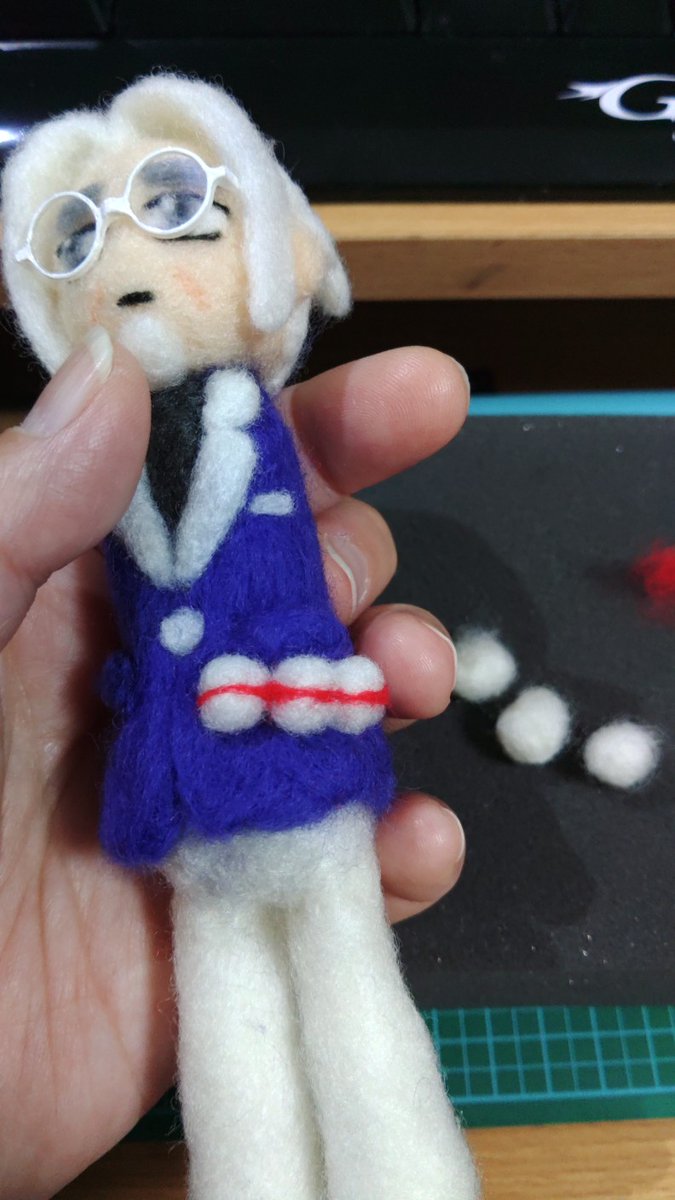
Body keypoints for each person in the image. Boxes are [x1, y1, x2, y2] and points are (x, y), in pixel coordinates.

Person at [0, 338, 469, 1198]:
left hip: (300, 765)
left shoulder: (253, 423)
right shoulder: (115, 457)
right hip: (190, 802)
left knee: (354, 992)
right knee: (226, 1031)